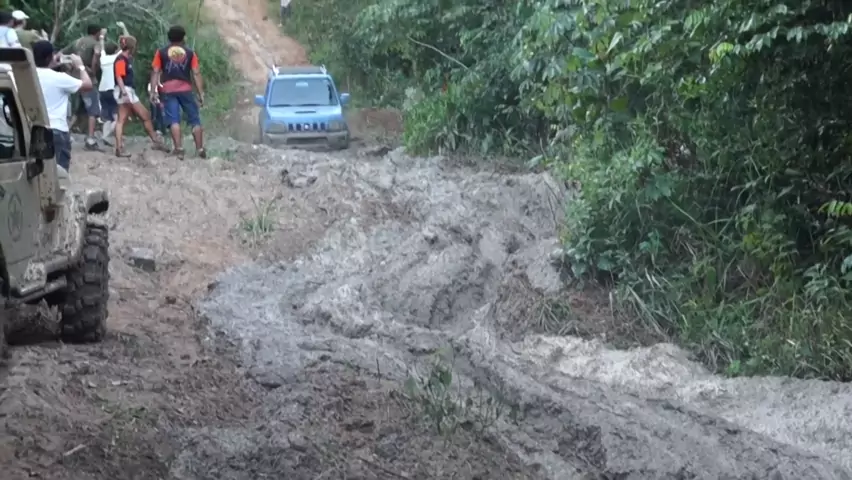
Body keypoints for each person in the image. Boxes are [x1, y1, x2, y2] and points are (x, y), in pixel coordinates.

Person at [32, 40, 93, 172]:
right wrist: (81, 66)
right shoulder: (60, 78)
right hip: (56, 129)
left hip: (33, 130)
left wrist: (51, 64)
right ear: (49, 57)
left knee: (37, 173)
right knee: (59, 174)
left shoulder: (26, 77)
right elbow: (88, 85)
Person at [150, 25, 206, 159]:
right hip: (185, 89)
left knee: (173, 119)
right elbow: (196, 73)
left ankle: (179, 148)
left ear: (169, 38)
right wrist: (201, 93)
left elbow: (155, 71)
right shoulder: (190, 53)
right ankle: (200, 149)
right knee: (194, 119)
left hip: (168, 89)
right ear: (183, 38)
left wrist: (153, 91)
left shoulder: (161, 52)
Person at [113, 35, 167, 157]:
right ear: (132, 47)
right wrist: (124, 92)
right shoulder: (121, 59)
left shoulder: (125, 59)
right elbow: (119, 76)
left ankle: (120, 147)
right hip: (125, 90)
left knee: (131, 118)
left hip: (126, 90)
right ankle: (120, 148)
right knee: (132, 117)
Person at [62, 24, 104, 150]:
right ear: (97, 33)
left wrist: (69, 67)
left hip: (75, 79)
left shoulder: (78, 41)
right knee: (93, 110)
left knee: (79, 110)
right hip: (88, 80)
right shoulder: (96, 43)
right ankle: (90, 140)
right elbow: (97, 55)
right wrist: (93, 70)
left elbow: (62, 54)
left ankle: (65, 133)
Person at [98, 38, 120, 145]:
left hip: (102, 89)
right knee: (117, 115)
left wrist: (102, 38)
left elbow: (102, 47)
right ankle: (106, 136)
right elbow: (125, 47)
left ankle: (105, 136)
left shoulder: (103, 59)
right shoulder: (116, 58)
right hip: (112, 89)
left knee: (107, 116)